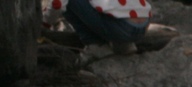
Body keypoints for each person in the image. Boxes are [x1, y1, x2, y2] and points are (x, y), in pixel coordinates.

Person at [45, 0, 176, 54]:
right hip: (143, 24)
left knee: (68, 2)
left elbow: (57, 5)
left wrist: (44, 23)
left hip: (121, 28)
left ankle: (95, 46)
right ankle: (124, 45)